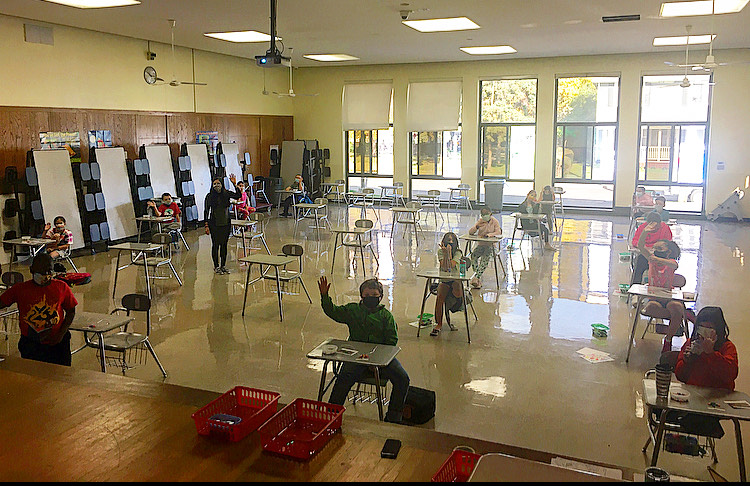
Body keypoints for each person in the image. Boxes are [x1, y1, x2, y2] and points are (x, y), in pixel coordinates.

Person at [318, 275, 410, 424]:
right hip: (356, 358)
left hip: (380, 359)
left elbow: (392, 341)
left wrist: (376, 361)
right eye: (367, 295)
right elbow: (333, 312)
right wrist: (324, 296)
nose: (370, 298)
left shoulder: (386, 317)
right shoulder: (352, 310)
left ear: (380, 297)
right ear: (361, 296)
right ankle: (331, 415)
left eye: (374, 295)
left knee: (403, 378)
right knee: (343, 378)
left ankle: (393, 417)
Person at [0, 252, 77, 366]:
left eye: (49, 271)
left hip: (58, 343)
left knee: (60, 377)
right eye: (41, 272)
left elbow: (71, 311)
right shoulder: (20, 289)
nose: (45, 275)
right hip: (31, 344)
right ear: (32, 270)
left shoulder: (61, 287)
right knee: (33, 376)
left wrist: (61, 334)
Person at [636, 222, 684, 354]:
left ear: (668, 252)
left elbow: (674, 266)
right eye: (654, 248)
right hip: (654, 297)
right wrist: (645, 232)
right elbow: (640, 246)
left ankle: (668, 339)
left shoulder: (671, 262)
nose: (655, 251)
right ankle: (674, 323)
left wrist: (658, 260)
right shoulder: (651, 259)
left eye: (659, 248)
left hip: (668, 297)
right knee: (651, 308)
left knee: (677, 307)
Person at [675, 306, 738, 390]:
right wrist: (686, 361)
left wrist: (711, 353)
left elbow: (730, 375)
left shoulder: (727, 347)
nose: (704, 331)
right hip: (694, 393)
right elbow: (680, 376)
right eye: (701, 327)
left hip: (719, 395)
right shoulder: (690, 343)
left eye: (709, 328)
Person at [204, 174, 241, 274]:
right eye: (214, 184)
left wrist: (234, 184)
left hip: (225, 222)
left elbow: (238, 196)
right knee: (215, 245)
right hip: (214, 223)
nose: (216, 185)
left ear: (222, 184)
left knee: (224, 245)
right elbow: (206, 211)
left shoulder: (226, 193)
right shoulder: (209, 196)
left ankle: (223, 266)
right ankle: (216, 266)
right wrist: (206, 225)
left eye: (218, 183)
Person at [431, 232, 464, 336]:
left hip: (456, 281)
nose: (450, 243)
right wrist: (445, 254)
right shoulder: (440, 252)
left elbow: (451, 265)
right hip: (445, 280)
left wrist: (449, 254)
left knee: (457, 293)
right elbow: (445, 268)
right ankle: (439, 324)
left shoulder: (458, 252)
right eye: (448, 240)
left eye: (452, 240)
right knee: (440, 297)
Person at [630, 211, 673, 285]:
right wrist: (645, 234)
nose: (654, 228)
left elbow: (667, 243)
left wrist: (656, 252)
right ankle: (635, 286)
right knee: (639, 261)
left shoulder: (665, 228)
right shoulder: (643, 227)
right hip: (647, 253)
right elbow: (636, 242)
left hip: (661, 255)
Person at [467, 207, 502, 289]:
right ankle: (477, 278)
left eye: (486, 214)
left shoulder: (494, 221)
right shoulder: (480, 221)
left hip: (491, 246)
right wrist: (476, 227)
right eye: (483, 215)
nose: (485, 216)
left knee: (485, 258)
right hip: (481, 245)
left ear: (490, 214)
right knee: (474, 255)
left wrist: (489, 235)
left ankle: (476, 278)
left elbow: (498, 232)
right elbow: (470, 232)